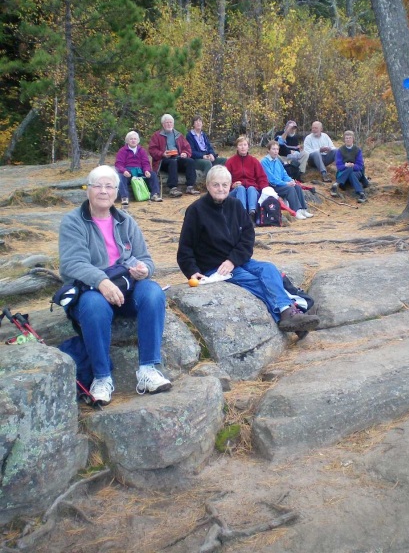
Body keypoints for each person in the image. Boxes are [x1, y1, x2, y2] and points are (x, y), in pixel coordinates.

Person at [59, 165, 172, 405]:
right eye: (97, 186)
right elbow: (71, 263)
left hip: (126, 288)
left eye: (109, 186)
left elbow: (147, 259)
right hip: (91, 291)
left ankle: (148, 369)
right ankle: (101, 377)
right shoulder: (73, 222)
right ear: (87, 190)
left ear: (116, 191)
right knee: (93, 305)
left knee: (153, 293)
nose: (103, 191)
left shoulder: (125, 220)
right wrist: (101, 281)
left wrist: (144, 270)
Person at [177, 165, 320, 333]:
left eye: (224, 185)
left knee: (269, 269)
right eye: (216, 185)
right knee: (253, 281)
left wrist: (233, 260)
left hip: (238, 261)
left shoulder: (235, 205)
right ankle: (290, 316)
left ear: (230, 185)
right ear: (208, 186)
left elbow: (247, 237)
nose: (220, 189)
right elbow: (185, 248)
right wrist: (192, 271)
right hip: (215, 267)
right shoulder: (196, 210)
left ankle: (288, 315)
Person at [148, 114, 201, 198]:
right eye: (167, 122)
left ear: (173, 124)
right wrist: (162, 154)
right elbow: (152, 150)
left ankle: (190, 187)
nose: (169, 124)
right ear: (163, 124)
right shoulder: (157, 135)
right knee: (172, 162)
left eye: (171, 122)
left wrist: (185, 153)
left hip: (178, 158)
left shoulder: (178, 135)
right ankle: (173, 188)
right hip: (163, 160)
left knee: (190, 161)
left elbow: (187, 148)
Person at [261, 141, 314, 220]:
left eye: (277, 149)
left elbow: (284, 174)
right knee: (290, 189)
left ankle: (303, 209)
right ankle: (296, 211)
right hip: (273, 186)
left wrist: (291, 181)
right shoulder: (264, 162)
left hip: (281, 184)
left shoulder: (278, 161)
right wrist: (286, 183)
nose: (276, 151)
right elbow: (271, 179)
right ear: (268, 150)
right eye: (273, 149)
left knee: (297, 186)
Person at [225, 135, 269, 221]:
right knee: (240, 188)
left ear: (248, 147)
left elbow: (262, 178)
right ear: (237, 147)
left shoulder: (254, 161)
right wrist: (231, 185)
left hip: (252, 190)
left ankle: (252, 214)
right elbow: (223, 178)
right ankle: (243, 214)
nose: (243, 147)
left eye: (245, 145)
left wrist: (264, 190)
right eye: (240, 145)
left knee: (251, 189)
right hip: (236, 191)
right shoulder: (230, 162)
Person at [115, 131, 162, 206]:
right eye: (131, 139)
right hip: (128, 172)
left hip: (140, 171)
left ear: (138, 140)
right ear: (127, 140)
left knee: (153, 174)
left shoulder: (142, 150)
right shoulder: (122, 151)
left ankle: (155, 195)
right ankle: (124, 197)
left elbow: (146, 163)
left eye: (135, 139)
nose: (133, 140)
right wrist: (124, 171)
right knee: (120, 176)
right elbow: (118, 164)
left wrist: (147, 170)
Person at [332, 130, 369, 203]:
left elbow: (360, 166)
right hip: (343, 172)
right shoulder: (340, 150)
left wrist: (353, 166)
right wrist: (345, 165)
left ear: (353, 139)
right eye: (346, 138)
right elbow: (339, 166)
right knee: (350, 171)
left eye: (350, 138)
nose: (348, 140)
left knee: (351, 171)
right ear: (344, 139)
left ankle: (337, 183)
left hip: (356, 172)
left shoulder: (357, 150)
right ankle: (361, 193)